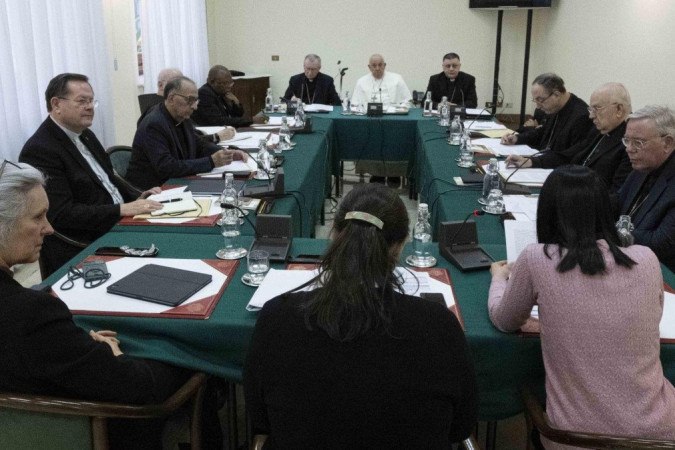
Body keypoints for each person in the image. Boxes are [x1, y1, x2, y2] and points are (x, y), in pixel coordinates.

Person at [244, 183, 477, 449]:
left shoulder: (277, 317)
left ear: (333, 236)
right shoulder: (439, 324)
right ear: (399, 247)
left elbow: (260, 417)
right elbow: (461, 425)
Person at [0, 161, 199, 449]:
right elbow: (138, 389)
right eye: (38, 217)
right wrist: (115, 356)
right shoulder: (32, 314)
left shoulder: (31, 313)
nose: (50, 228)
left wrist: (76, 345)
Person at [488, 165, 675, 449]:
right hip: (658, 434)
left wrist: (499, 279)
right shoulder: (647, 259)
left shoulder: (537, 258)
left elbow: (505, 320)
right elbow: (643, 321)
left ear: (547, 211)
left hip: (572, 439)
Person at [19, 73, 163, 278]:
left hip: (121, 222)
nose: (89, 107)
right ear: (56, 104)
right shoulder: (41, 150)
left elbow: (109, 180)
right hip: (89, 240)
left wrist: (138, 195)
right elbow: (61, 214)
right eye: (82, 101)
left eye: (91, 101)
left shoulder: (85, 133)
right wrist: (121, 209)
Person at [506, 82, 632, 192]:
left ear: (619, 110)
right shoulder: (600, 131)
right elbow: (568, 156)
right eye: (591, 109)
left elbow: (617, 194)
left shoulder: (630, 144)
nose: (591, 116)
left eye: (597, 108)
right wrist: (530, 161)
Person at [127, 76, 248, 190]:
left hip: (177, 182)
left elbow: (199, 144)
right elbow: (166, 167)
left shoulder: (182, 117)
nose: (195, 107)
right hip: (154, 190)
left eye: (196, 100)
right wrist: (211, 161)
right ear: (171, 98)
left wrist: (224, 153)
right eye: (190, 100)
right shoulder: (154, 124)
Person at [618, 105, 675, 271]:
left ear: (667, 143)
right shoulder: (644, 165)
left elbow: (660, 244)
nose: (629, 148)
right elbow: (618, 202)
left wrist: (611, 231)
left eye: (638, 142)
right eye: (627, 140)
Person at [351, 54, 413, 186]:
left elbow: (407, 100)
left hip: (394, 121)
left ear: (385, 65)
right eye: (374, 65)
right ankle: (376, 173)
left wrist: (400, 109)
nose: (377, 68)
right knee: (372, 143)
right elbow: (355, 103)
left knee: (394, 144)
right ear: (369, 67)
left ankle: (394, 173)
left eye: (380, 65)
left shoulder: (397, 78)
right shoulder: (361, 81)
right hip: (370, 122)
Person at [501, 73, 593, 156]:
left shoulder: (581, 117)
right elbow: (542, 133)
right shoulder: (554, 107)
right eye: (535, 100)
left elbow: (569, 156)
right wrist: (517, 138)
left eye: (540, 100)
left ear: (556, 95)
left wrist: (532, 162)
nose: (538, 107)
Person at [193, 65, 258, 127]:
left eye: (231, 82)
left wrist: (236, 102)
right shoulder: (205, 93)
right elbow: (218, 121)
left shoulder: (220, 93)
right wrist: (251, 120)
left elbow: (238, 115)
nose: (229, 86)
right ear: (212, 82)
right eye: (225, 83)